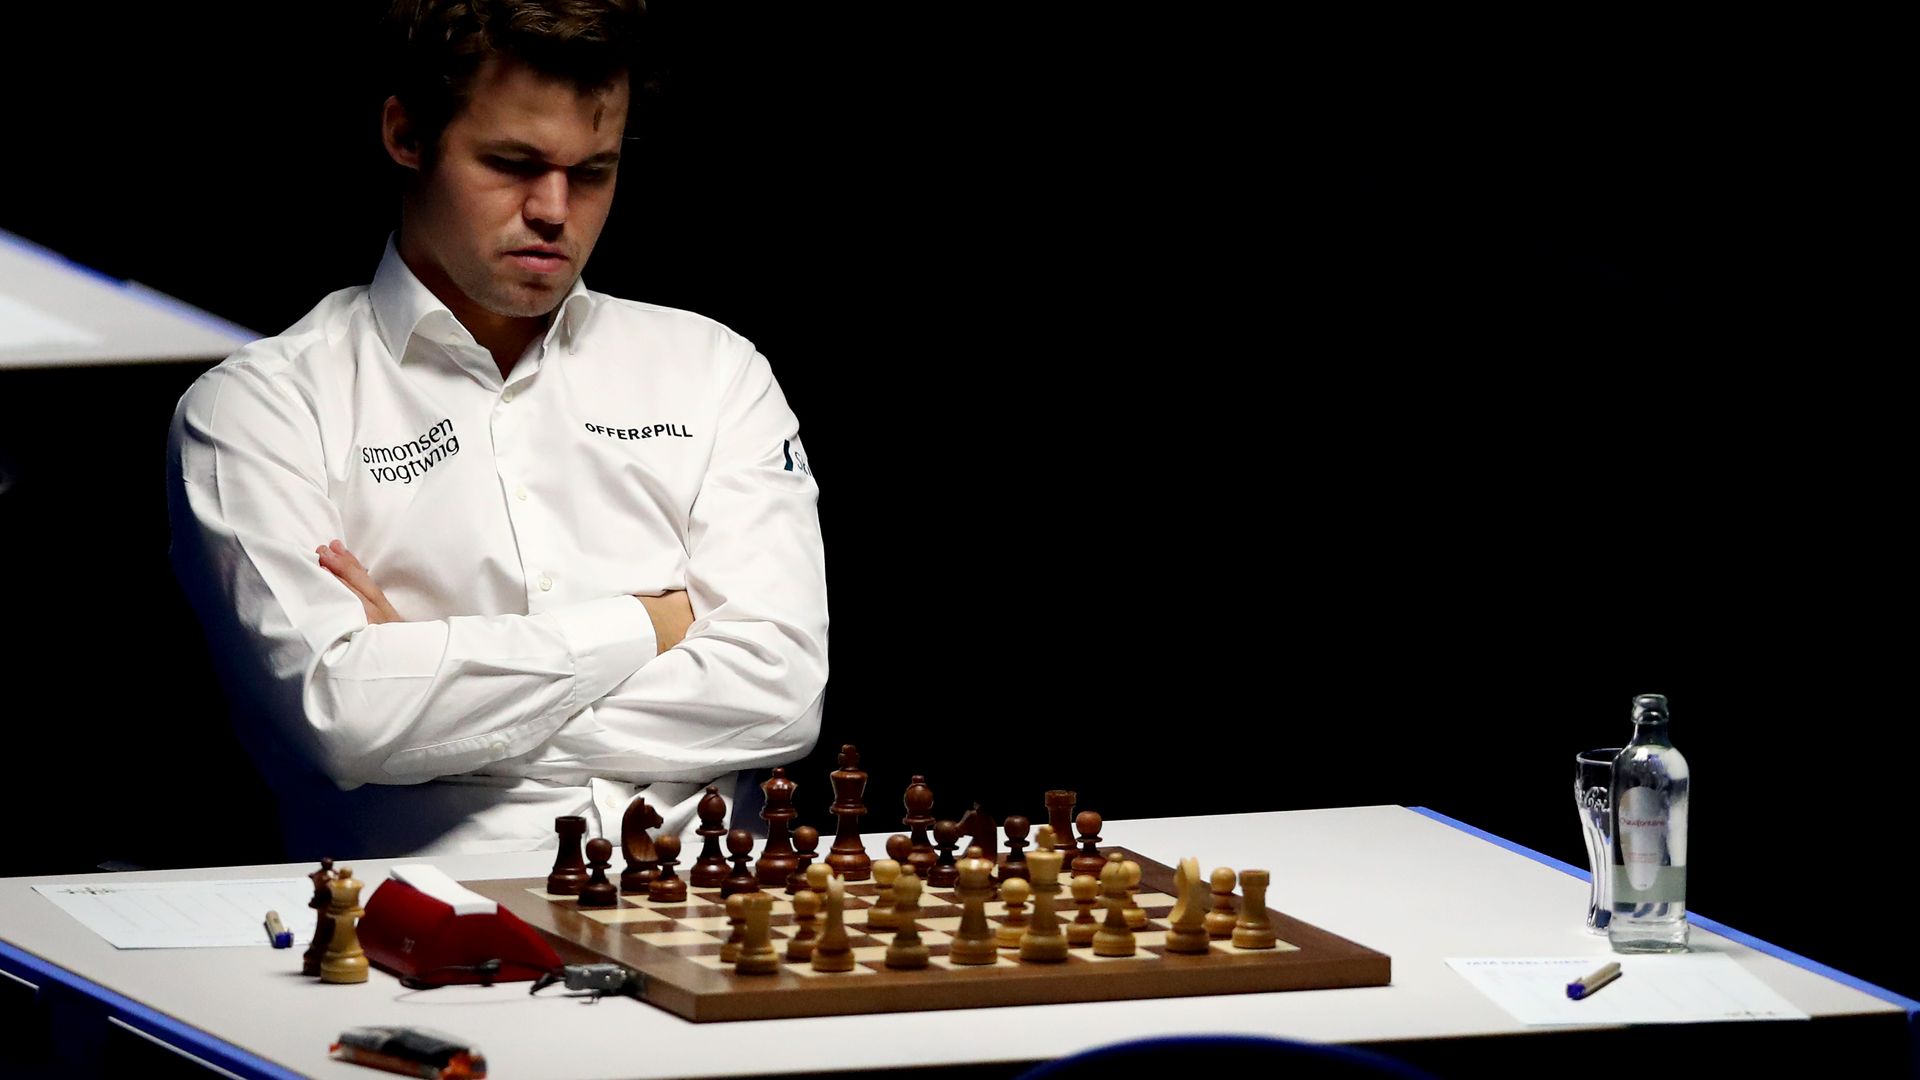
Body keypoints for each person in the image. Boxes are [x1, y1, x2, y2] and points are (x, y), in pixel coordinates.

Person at [166, 0, 828, 860]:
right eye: (513, 164)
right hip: (397, 948)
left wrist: (430, 690)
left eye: (592, 172)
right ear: (406, 135)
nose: (555, 210)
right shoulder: (255, 410)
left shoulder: (715, 370)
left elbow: (780, 691)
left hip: (709, 920)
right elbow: (345, 717)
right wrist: (649, 623)